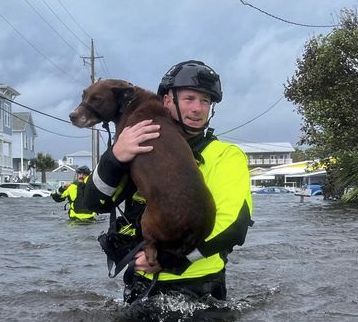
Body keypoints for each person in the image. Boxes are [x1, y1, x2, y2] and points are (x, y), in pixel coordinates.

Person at [83, 60, 253, 304]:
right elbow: (94, 203)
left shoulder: (225, 155)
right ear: (166, 101)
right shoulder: (136, 144)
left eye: (205, 101)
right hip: (139, 283)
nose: (198, 108)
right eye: (189, 99)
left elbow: (233, 227)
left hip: (198, 287)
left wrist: (173, 259)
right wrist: (114, 157)